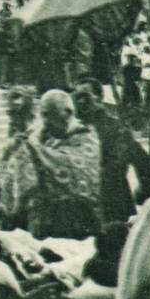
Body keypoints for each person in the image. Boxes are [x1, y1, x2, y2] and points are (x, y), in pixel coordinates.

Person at [74, 78, 150, 226]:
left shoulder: (114, 127)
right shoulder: (72, 127)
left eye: (85, 96)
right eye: (76, 96)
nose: (80, 101)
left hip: (111, 202)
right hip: (82, 205)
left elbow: (141, 161)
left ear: (99, 98)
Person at [23, 90, 101, 239]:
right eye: (43, 114)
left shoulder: (85, 136)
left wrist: (34, 148)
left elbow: (68, 166)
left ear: (68, 112)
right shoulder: (42, 135)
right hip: (44, 219)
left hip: (77, 219)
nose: (45, 120)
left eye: (50, 114)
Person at [0, 88, 41, 232]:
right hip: (10, 204)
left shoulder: (39, 131)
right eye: (11, 113)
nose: (12, 116)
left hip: (32, 205)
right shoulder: (12, 136)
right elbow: (2, 165)